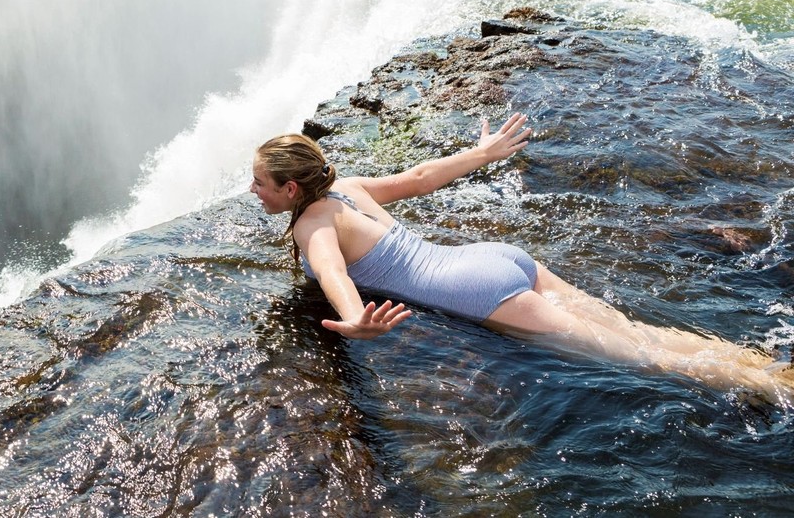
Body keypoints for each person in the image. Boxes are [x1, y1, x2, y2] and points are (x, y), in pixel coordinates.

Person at [251, 113, 792, 403]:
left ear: (293, 187)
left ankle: (771, 387)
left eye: (261, 183)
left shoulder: (314, 224)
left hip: (477, 291)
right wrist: (481, 154)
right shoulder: (347, 187)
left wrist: (353, 321)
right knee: (637, 332)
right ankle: (768, 370)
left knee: (646, 361)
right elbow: (418, 179)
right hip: (497, 259)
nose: (254, 191)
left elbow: (333, 271)